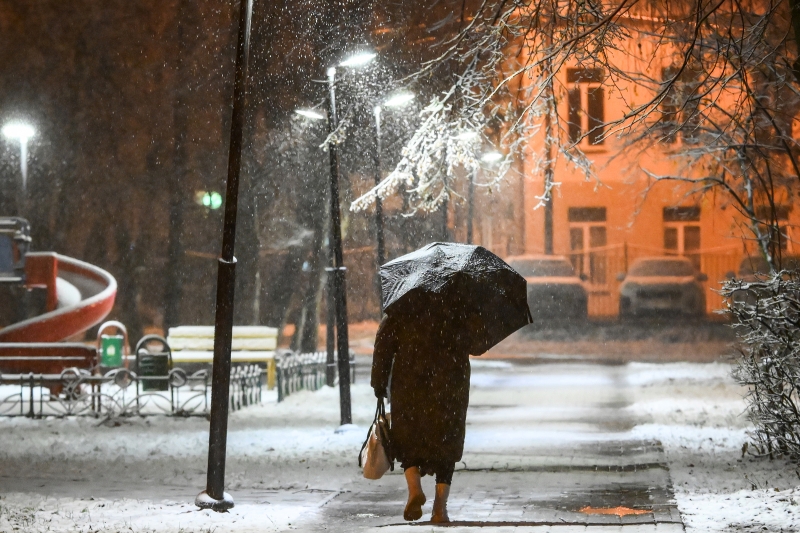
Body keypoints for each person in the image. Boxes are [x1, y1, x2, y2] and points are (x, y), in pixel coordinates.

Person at [371, 308, 473, 523]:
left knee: (408, 437)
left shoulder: (403, 306)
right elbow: (475, 342)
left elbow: (383, 346)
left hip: (410, 381)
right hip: (450, 383)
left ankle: (414, 489)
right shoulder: (457, 305)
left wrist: (379, 384)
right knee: (447, 440)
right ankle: (440, 508)